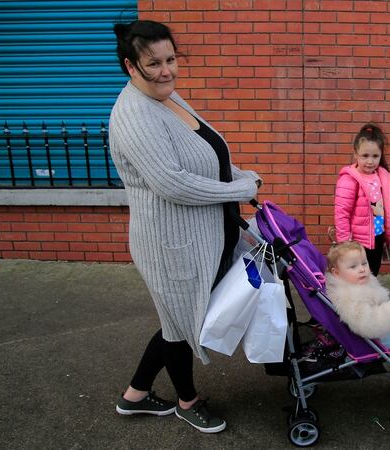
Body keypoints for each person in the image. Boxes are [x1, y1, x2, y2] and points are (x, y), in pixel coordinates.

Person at [108, 20, 262, 433]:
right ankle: (187, 401)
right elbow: (171, 182)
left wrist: (240, 175)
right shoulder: (133, 114)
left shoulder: (168, 98)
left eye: (171, 59)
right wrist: (239, 187)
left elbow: (208, 153)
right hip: (171, 243)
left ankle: (135, 395)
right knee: (180, 324)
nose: (166, 71)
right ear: (130, 66)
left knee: (176, 318)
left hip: (204, 234)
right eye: (153, 63)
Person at [334, 123, 390, 276]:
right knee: (357, 278)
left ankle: (368, 299)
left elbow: (389, 209)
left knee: (372, 274)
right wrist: (344, 244)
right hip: (357, 242)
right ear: (355, 154)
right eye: (365, 156)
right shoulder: (349, 179)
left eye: (375, 156)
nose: (370, 161)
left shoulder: (382, 176)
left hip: (377, 237)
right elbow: (342, 213)